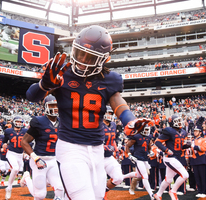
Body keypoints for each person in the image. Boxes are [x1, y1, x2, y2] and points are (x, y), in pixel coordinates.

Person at [26, 25, 150, 200]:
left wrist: (130, 120)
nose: (82, 59)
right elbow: (31, 96)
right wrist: (44, 84)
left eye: (90, 57)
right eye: (79, 53)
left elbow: (118, 103)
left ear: (104, 59)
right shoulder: (63, 73)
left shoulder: (110, 79)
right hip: (70, 148)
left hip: (97, 149)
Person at [20, 94, 64, 200]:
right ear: (46, 107)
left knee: (60, 189)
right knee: (40, 195)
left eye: (57, 106)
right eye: (52, 105)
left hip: (53, 160)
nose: (55, 108)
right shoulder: (39, 121)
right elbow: (24, 142)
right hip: (39, 160)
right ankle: (27, 179)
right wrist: (36, 158)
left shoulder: (62, 122)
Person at [103, 106, 137, 199]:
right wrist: (105, 146)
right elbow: (92, 142)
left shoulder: (113, 125)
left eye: (111, 113)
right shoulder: (97, 125)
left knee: (118, 178)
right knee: (98, 180)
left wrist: (116, 150)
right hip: (97, 157)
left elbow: (113, 139)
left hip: (109, 157)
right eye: (108, 113)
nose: (109, 115)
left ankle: (104, 191)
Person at [154, 115, 190, 200]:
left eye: (179, 121)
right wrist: (166, 150)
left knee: (168, 180)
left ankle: (158, 195)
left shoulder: (183, 132)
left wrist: (186, 146)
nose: (179, 123)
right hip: (169, 158)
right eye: (177, 121)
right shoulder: (169, 131)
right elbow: (157, 142)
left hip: (176, 157)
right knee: (185, 175)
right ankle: (173, 191)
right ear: (172, 122)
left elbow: (178, 146)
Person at [125, 125, 154, 199]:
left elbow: (148, 146)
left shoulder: (148, 137)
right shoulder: (137, 136)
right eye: (146, 129)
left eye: (148, 130)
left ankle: (123, 177)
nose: (147, 131)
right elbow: (127, 146)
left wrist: (150, 152)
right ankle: (151, 194)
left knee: (138, 175)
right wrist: (129, 155)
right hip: (138, 158)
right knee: (145, 176)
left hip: (145, 158)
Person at [3, 116, 27, 200]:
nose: (19, 123)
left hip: (20, 154)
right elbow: (4, 141)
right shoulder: (8, 131)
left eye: (20, 122)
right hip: (11, 153)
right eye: (17, 121)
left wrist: (25, 151)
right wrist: (4, 144)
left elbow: (28, 142)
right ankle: (9, 187)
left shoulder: (25, 131)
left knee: (20, 170)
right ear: (14, 122)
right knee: (15, 168)